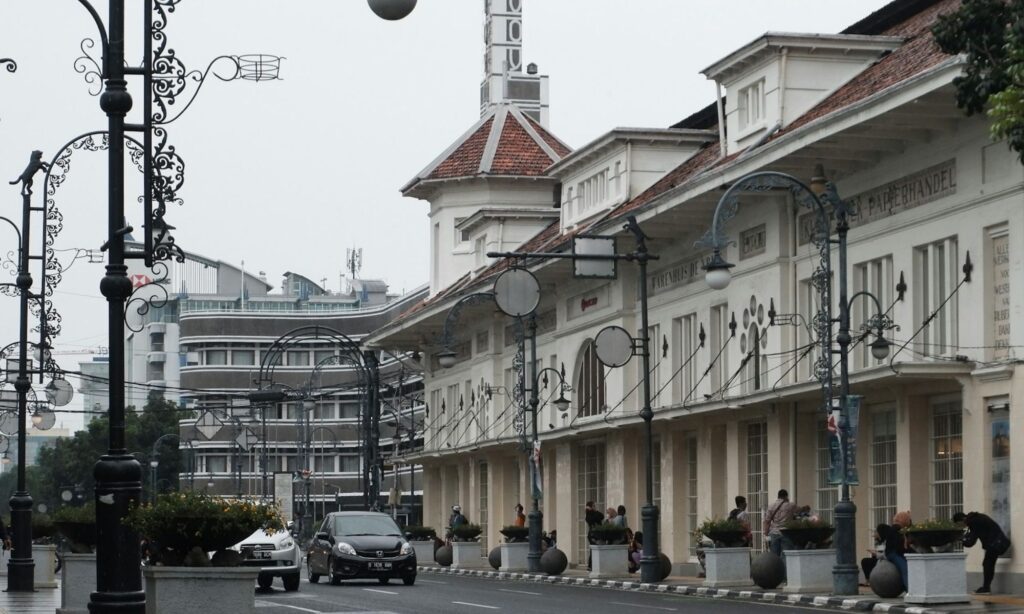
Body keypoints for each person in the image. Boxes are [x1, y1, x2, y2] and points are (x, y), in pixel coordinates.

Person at [954, 511, 1011, 594]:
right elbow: (971, 535)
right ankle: (986, 587)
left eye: (959, 524)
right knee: (988, 564)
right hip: (995, 543)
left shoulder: (973, 522)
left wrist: (961, 539)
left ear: (962, 520)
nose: (962, 526)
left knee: (988, 565)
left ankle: (986, 588)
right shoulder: (976, 518)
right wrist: (964, 538)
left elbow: (971, 541)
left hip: (994, 544)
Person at [763, 489, 796, 557]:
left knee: (774, 555)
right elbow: (799, 510)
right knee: (786, 554)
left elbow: (767, 521)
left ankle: (776, 567)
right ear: (786, 496)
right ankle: (785, 567)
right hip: (786, 532)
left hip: (774, 532)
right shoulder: (791, 505)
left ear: (778, 496)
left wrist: (766, 533)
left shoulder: (771, 506)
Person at [584, 501, 604, 570]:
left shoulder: (595, 513)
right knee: (594, 549)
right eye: (593, 506)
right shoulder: (588, 515)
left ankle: (592, 565)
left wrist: (595, 511)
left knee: (595, 549)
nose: (595, 507)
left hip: (597, 534)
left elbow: (602, 516)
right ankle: (591, 565)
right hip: (592, 534)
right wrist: (592, 511)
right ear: (590, 507)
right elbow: (594, 519)